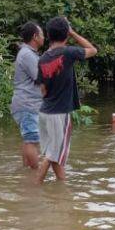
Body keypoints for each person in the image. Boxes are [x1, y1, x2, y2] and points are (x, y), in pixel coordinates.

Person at [36, 16, 97, 185]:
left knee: (53, 153)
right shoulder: (69, 53)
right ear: (66, 34)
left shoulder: (42, 59)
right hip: (60, 113)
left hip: (44, 112)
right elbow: (92, 50)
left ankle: (62, 187)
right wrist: (73, 32)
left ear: (48, 35)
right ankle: (34, 187)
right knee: (52, 155)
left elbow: (43, 90)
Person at [10, 21, 45, 169]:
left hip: (26, 104)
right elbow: (40, 78)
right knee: (32, 141)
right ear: (35, 37)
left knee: (28, 139)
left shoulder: (27, 53)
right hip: (27, 104)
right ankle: (35, 175)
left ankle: (26, 174)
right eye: (42, 34)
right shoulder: (27, 55)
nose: (44, 37)